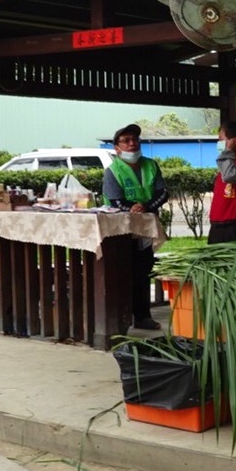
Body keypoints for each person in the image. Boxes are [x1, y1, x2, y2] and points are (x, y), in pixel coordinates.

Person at [102, 123, 169, 330]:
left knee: (143, 270)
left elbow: (163, 193)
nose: (132, 144)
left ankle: (142, 316)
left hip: (146, 229)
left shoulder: (151, 165)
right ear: (117, 148)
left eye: (135, 140)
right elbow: (115, 200)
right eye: (126, 141)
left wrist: (146, 207)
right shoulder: (112, 171)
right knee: (122, 272)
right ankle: (121, 318)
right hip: (121, 230)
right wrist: (132, 207)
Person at [208, 120, 236, 244]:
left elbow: (230, 176)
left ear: (234, 141)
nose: (219, 143)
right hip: (218, 225)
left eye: (221, 139)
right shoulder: (227, 162)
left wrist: (227, 151)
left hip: (235, 225)